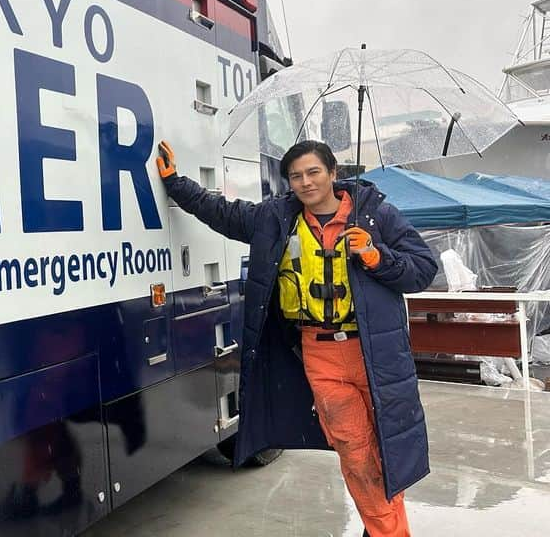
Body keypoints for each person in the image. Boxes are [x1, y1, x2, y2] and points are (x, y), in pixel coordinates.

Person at [156, 139, 437, 537]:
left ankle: (385, 528)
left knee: (389, 450)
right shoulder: (275, 218)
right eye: (295, 176)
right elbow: (221, 212)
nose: (305, 182)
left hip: (377, 354)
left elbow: (423, 270)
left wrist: (375, 255)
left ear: (333, 174)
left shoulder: (377, 216)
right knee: (356, 454)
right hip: (320, 355)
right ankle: (388, 531)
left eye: (313, 172)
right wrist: (175, 183)